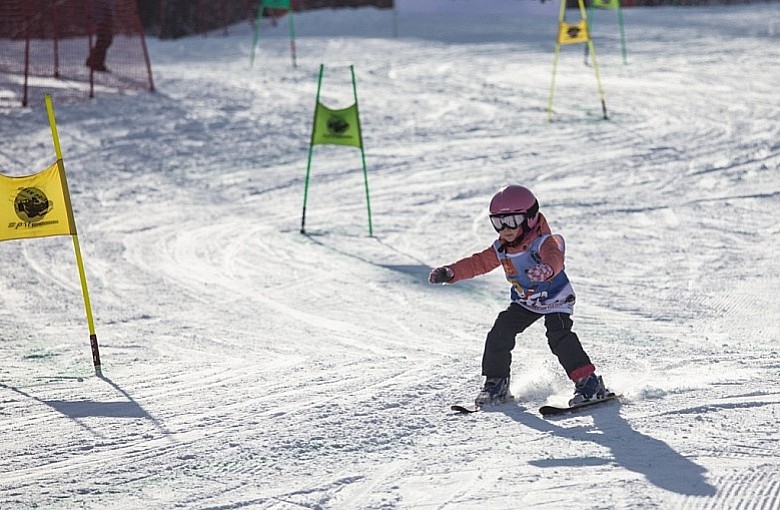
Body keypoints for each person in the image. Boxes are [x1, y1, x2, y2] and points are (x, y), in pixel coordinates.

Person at [428, 184, 608, 407]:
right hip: (526, 301)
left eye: (512, 220)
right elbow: (478, 263)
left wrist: (547, 269)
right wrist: (451, 272)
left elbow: (554, 256)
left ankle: (588, 383)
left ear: (530, 218)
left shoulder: (543, 242)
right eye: (498, 222)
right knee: (500, 331)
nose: (505, 228)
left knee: (559, 336)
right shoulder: (502, 248)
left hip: (556, 299)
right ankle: (497, 383)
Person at [86, 0, 114, 72]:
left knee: (106, 39)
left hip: (106, 12)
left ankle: (92, 60)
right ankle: (96, 63)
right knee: (104, 39)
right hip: (102, 13)